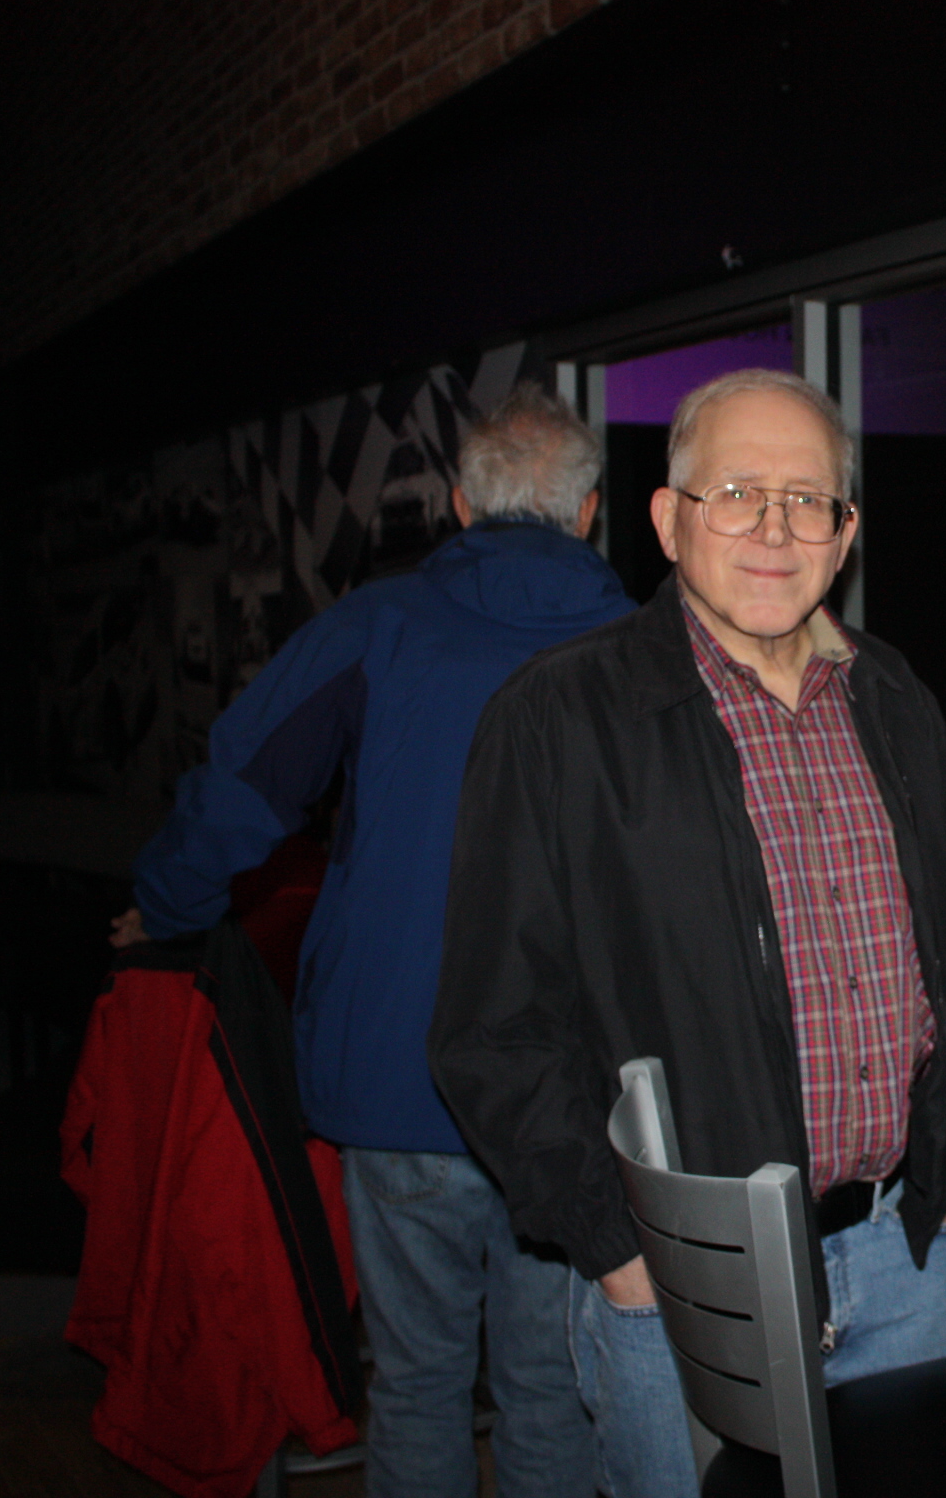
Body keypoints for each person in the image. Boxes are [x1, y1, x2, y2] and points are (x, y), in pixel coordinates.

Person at [430, 368, 946, 1498]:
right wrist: (619, 1252)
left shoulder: (894, 700)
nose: (774, 531)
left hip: (909, 1258)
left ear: (846, 534)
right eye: (736, 493)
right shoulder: (557, 719)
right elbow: (494, 1031)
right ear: (666, 519)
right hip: (686, 1286)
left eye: (806, 500)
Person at [115, 382, 631, 1498]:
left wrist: (164, 905)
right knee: (553, 1389)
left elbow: (240, 792)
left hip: (402, 1079)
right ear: (590, 511)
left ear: (461, 504)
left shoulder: (376, 627)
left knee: (416, 1383)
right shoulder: (648, 650)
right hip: (575, 1096)